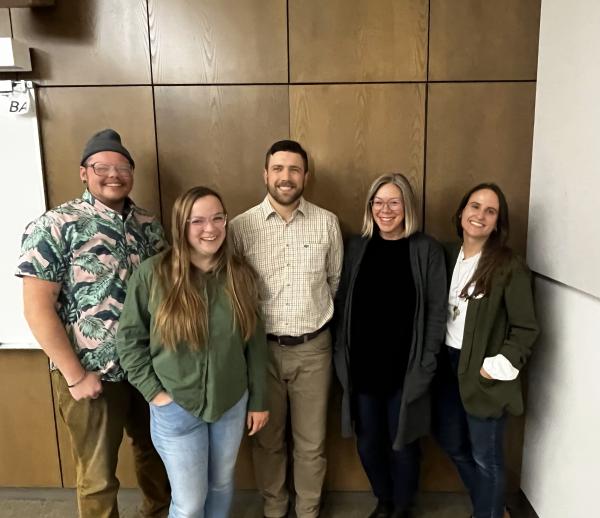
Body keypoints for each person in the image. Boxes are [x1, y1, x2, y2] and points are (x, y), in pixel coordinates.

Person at [16, 129, 171, 518]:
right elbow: (37, 308)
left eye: (122, 166)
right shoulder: (55, 225)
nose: (113, 174)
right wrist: (74, 375)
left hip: (148, 370)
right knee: (98, 478)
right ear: (84, 172)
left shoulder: (149, 225)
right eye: (102, 166)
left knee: (157, 457)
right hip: (90, 374)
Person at [117, 186, 269, 518]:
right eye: (197, 221)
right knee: (188, 503)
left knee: (221, 485)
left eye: (217, 218)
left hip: (230, 402)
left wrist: (258, 400)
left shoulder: (240, 274)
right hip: (175, 406)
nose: (210, 228)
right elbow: (129, 341)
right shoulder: (153, 275)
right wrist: (155, 394)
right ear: (181, 226)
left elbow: (255, 343)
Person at [230, 140, 343, 518]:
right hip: (261, 352)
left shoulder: (327, 222)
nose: (286, 177)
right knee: (267, 442)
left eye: (294, 169)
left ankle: (308, 511)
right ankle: (275, 511)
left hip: (314, 350)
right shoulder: (240, 228)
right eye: (278, 169)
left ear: (306, 176)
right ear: (265, 174)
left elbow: (335, 282)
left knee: (312, 444)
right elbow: (233, 293)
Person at [333, 173, 447, 518]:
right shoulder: (356, 246)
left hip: (406, 369)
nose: (385, 209)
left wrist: (427, 362)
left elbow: (437, 312)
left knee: (404, 445)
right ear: (370, 207)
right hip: (364, 368)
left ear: (407, 206)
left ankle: (402, 506)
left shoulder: (426, 249)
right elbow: (341, 302)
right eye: (378, 202)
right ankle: (383, 499)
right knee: (368, 444)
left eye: (393, 202)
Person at [432, 183, 539, 518]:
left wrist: (493, 367)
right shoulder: (446, 256)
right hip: (445, 367)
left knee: (486, 458)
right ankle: (491, 509)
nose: (480, 215)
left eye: (490, 211)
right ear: (461, 212)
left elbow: (526, 328)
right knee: (453, 443)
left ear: (498, 223)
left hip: (482, 371)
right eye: (474, 206)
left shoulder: (509, 266)